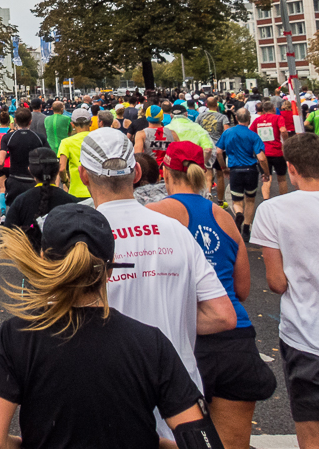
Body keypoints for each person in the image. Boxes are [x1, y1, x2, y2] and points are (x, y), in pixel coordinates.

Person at [0, 204, 219, 449]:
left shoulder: (17, 336)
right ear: (110, 270)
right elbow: (200, 440)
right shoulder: (149, 342)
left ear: (44, 260)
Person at [82, 127, 237, 440]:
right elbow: (223, 315)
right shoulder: (177, 230)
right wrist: (170, 320)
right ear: (137, 171)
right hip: (179, 397)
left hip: (108, 393)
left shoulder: (81, 239)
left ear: (84, 176)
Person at [147, 140, 276, 449]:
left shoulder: (156, 214)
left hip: (185, 337)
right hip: (235, 338)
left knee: (175, 441)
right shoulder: (223, 217)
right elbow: (242, 289)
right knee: (232, 444)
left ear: (166, 172)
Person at [251, 132, 319, 449]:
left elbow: (277, 282)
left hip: (307, 337)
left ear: (291, 169)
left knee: (314, 438)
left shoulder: (273, 211)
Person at [0, 146, 78, 252]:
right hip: (65, 264)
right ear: (57, 170)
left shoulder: (21, 201)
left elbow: (7, 237)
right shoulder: (72, 202)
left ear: (30, 170)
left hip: (31, 263)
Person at [213, 109, 267, 241]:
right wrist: (266, 172)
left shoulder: (228, 133)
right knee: (250, 199)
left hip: (235, 170)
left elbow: (218, 151)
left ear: (236, 118)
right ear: (249, 119)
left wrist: (223, 168)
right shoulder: (253, 135)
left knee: (237, 200)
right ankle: (246, 228)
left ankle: (238, 213)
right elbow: (261, 158)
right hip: (250, 170)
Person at [0, 107, 46, 208]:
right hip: (34, 180)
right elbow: (48, 157)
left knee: (15, 209)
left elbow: (0, 161)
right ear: (30, 121)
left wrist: (1, 167)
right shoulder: (39, 137)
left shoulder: (8, 137)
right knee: (34, 210)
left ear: (15, 121)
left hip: (15, 180)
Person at [252, 99, 290, 201]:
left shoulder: (258, 120)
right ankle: (284, 201)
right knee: (281, 178)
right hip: (277, 152)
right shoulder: (278, 118)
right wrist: (285, 142)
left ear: (263, 110)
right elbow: (283, 130)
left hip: (263, 153)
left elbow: (251, 133)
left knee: (266, 178)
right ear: (274, 108)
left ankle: (266, 201)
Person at [55, 108, 94, 200]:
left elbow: (61, 168)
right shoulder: (98, 139)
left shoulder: (66, 142)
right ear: (90, 123)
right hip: (97, 191)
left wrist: (65, 182)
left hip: (76, 191)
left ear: (72, 124)